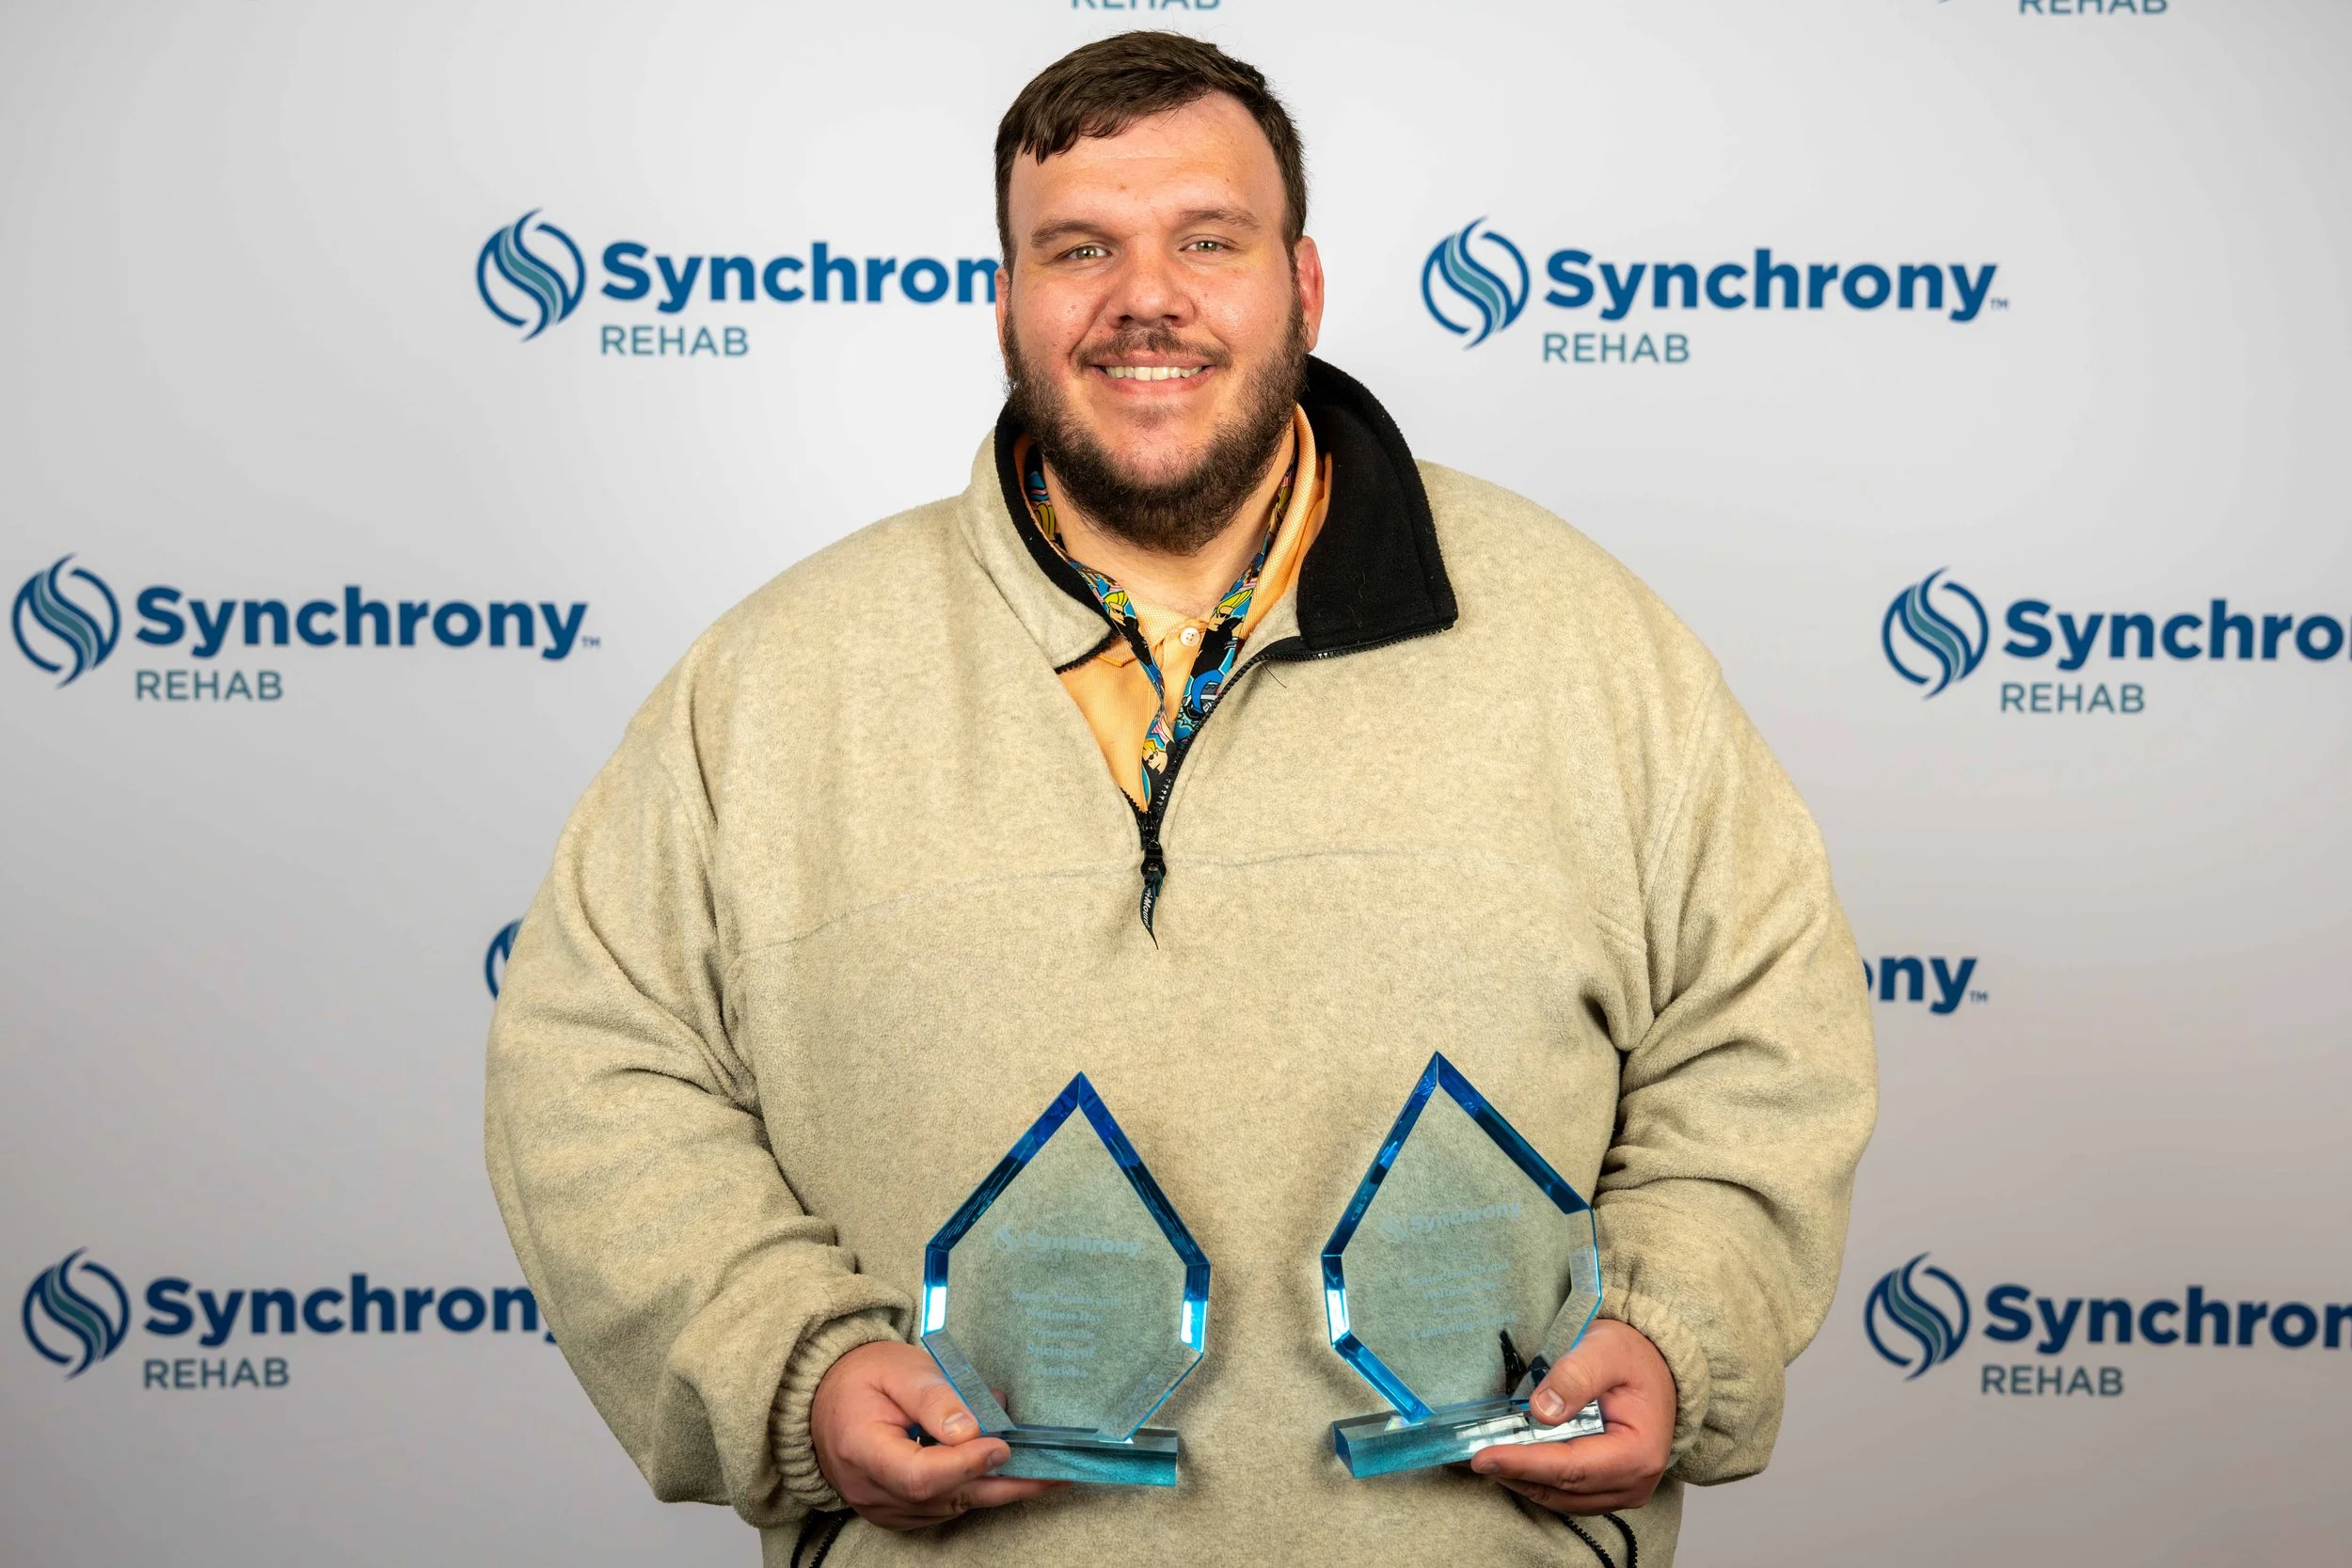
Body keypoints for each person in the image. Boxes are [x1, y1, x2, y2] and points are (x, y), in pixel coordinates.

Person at [485, 30, 1875, 1568]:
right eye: (1079, 248)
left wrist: (1676, 1326)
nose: (1147, 296)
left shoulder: (1587, 643)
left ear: (1306, 285)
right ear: (1002, 302)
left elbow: (1763, 1030)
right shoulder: (773, 680)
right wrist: (792, 1371)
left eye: (1207, 241)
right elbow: (596, 1068)